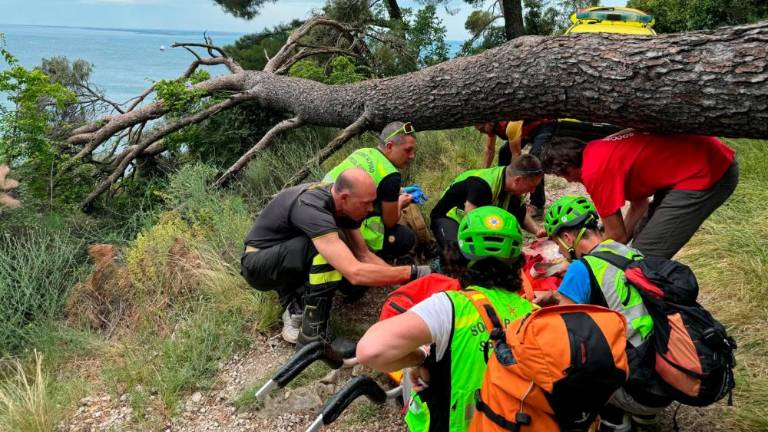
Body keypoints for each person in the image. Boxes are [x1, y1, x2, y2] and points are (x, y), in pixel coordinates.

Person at [356, 206, 534, 432]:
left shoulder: (449, 306)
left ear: (457, 255)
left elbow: (369, 351)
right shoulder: (535, 314)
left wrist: (420, 358)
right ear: (519, 261)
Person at [241, 168, 432, 354]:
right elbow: (354, 271)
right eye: (365, 204)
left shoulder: (345, 206)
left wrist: (409, 287)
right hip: (258, 266)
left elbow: (363, 255)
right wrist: (413, 272)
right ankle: (313, 337)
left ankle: (294, 298)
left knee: (350, 280)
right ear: (344, 198)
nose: (369, 209)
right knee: (324, 251)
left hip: (286, 255)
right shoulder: (312, 207)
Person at [535, 195, 670, 432]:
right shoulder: (626, 251)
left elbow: (561, 330)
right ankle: (643, 419)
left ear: (567, 238)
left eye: (558, 244)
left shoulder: (580, 268)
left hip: (640, 390)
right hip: (666, 376)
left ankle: (614, 421)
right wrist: (555, 295)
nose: (560, 250)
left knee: (567, 369)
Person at [540, 130, 738, 258]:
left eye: (564, 175)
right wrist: (613, 249)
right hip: (698, 164)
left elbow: (615, 235)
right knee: (632, 249)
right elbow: (638, 206)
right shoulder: (597, 150)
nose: (569, 181)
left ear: (567, 168)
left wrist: (585, 262)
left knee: (643, 257)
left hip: (707, 173)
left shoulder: (594, 170)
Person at [430, 154, 546, 267]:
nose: (533, 191)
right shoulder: (482, 186)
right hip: (447, 217)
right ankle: (439, 262)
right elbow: (473, 226)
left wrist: (538, 231)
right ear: (518, 180)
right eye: (531, 186)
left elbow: (520, 214)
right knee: (461, 256)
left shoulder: (512, 186)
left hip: (471, 221)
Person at [324, 121, 417, 259]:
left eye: (414, 151)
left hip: (324, 212)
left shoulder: (363, 152)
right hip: (349, 230)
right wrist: (401, 202)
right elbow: (390, 221)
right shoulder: (390, 175)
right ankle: (379, 256)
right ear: (389, 146)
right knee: (407, 237)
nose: (412, 156)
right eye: (408, 150)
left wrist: (397, 190)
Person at [475, 119, 556, 217]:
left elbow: (516, 155)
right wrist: (484, 173)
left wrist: (515, 182)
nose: (479, 130)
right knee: (504, 153)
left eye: (481, 127)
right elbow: (490, 149)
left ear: (490, 121)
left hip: (544, 125)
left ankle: (537, 204)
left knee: (534, 159)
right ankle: (503, 194)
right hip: (526, 131)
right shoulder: (492, 127)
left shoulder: (511, 125)